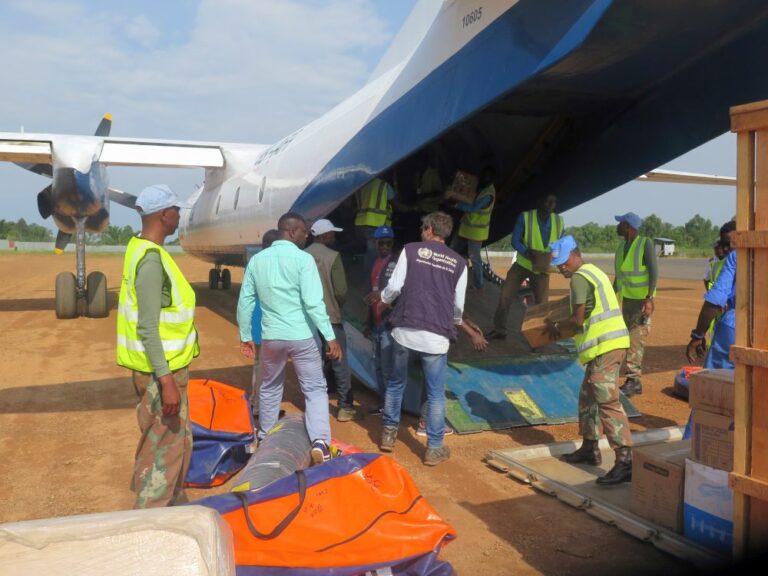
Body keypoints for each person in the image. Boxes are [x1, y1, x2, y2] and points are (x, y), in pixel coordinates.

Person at [116, 184, 198, 508]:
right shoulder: (151, 261)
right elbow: (148, 327)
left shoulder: (142, 250)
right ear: (164, 215)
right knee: (162, 453)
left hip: (160, 370)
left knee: (173, 445)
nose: (179, 215)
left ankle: (169, 513)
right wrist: (166, 382)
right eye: (176, 209)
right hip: (160, 374)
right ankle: (148, 524)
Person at [237, 212, 342, 465]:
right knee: (315, 389)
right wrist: (330, 337)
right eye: (305, 231)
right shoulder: (303, 260)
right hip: (301, 336)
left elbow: (246, 301)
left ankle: (265, 439)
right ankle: (320, 442)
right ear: (292, 231)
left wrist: (245, 335)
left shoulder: (257, 260)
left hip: (272, 337)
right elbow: (314, 303)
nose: (307, 236)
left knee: (270, 387)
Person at [366, 211, 467, 466]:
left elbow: (395, 287)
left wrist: (384, 301)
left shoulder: (410, 251)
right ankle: (433, 448)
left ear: (431, 230)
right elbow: (458, 306)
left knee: (396, 383)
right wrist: (452, 322)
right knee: (435, 394)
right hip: (436, 337)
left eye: (424, 227)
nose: (422, 230)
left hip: (405, 331)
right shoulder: (459, 263)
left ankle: (388, 435)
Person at [545, 235, 633, 485]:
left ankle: (625, 459)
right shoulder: (594, 271)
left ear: (576, 254)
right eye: (558, 264)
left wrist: (554, 327)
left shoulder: (579, 279)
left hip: (606, 345)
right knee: (588, 396)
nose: (561, 267)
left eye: (564, 262)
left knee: (606, 400)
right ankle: (589, 448)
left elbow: (577, 321)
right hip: (610, 345)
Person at [684, 221, 737, 439]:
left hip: (734, 329)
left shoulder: (737, 258)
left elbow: (714, 302)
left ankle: (692, 445)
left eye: (729, 244)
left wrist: (697, 336)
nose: (725, 249)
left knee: (711, 390)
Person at [488, 194, 564, 340]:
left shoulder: (559, 221)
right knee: (505, 295)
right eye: (547, 201)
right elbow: (515, 240)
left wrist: (556, 259)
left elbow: (560, 243)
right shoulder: (525, 217)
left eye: (553, 202)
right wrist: (526, 252)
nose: (550, 204)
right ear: (539, 202)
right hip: (522, 264)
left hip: (541, 268)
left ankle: (539, 339)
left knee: (542, 304)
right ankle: (499, 330)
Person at [305, 218, 358, 422]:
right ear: (324, 236)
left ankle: (313, 405)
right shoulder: (334, 256)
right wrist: (337, 305)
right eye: (332, 233)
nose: (334, 237)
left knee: (312, 362)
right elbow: (341, 291)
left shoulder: (302, 255)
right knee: (339, 360)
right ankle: (345, 407)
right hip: (331, 317)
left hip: (307, 321)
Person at [613, 212, 658, 397]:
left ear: (628, 227)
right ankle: (630, 378)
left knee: (636, 339)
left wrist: (649, 299)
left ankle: (634, 380)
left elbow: (654, 271)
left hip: (641, 301)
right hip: (627, 301)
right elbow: (620, 277)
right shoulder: (621, 247)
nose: (617, 226)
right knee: (625, 339)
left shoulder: (644, 243)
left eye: (620, 223)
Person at [239, 228, 280, 419]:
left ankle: (257, 402)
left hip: (255, 321)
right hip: (268, 322)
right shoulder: (273, 263)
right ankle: (261, 406)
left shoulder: (254, 262)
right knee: (267, 367)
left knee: (259, 364)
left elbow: (246, 298)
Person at [366, 225, 398, 416]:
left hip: (388, 324)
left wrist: (380, 295)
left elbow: (398, 291)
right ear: (375, 243)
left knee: (387, 369)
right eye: (382, 242)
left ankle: (390, 408)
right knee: (378, 367)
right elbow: (371, 294)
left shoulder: (394, 263)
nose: (385, 246)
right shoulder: (374, 262)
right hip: (376, 323)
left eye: (389, 242)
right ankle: (383, 403)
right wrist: (368, 322)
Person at [452, 166, 496, 291]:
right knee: (453, 249)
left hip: (476, 232)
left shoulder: (488, 194)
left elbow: (473, 208)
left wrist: (457, 204)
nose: (482, 178)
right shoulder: (483, 189)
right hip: (467, 227)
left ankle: (479, 285)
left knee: (474, 258)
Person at [355, 176, 394, 272]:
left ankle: (368, 278)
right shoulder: (383, 185)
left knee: (368, 253)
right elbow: (393, 199)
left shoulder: (360, 184)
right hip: (376, 223)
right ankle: (371, 280)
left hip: (360, 222)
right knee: (374, 255)